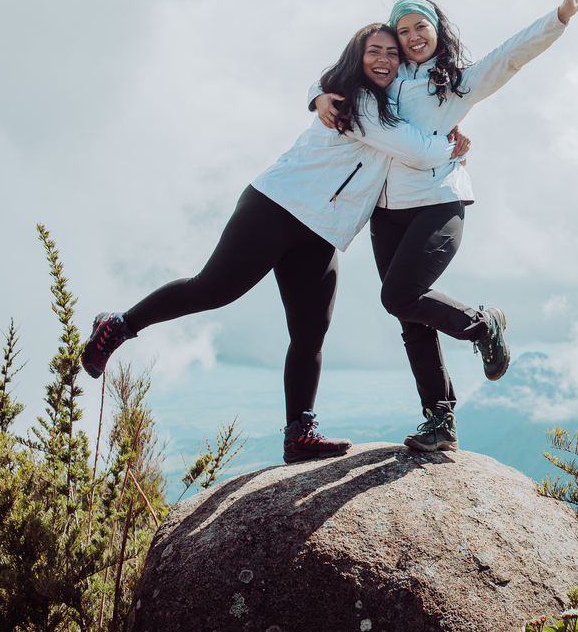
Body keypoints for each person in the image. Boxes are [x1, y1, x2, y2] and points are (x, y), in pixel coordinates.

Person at [80, 23, 470, 464]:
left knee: (310, 331)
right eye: (373, 52)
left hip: (323, 230)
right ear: (356, 59)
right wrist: (448, 148)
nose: (384, 60)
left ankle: (298, 433)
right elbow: (413, 147)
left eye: (391, 53)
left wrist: (450, 127)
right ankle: (118, 325)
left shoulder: (388, 101)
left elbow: (404, 110)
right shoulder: (356, 100)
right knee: (212, 289)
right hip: (278, 206)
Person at [310, 0, 578, 453]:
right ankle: (439, 420)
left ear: (438, 30)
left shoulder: (457, 84)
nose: (413, 37)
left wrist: (561, 16)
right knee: (409, 317)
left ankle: (483, 324)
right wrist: (317, 97)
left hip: (439, 202)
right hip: (385, 210)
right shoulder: (385, 79)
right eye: (404, 31)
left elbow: (509, 56)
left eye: (422, 26)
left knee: (399, 295)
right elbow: (339, 78)